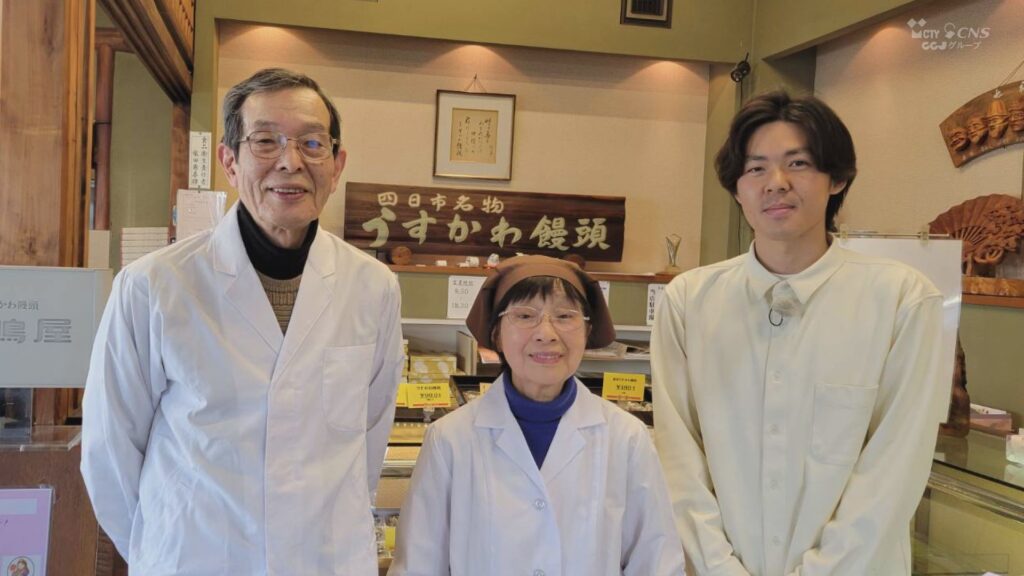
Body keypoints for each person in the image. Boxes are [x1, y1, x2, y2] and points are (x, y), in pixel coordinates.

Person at [80, 68, 403, 575]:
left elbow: (369, 437)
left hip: (326, 560)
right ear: (229, 162)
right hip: (198, 559)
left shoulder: (373, 287)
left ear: (337, 164)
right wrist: (163, 549)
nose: (291, 162)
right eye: (265, 141)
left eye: (312, 143)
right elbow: (109, 453)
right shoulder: (154, 285)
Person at [652, 91, 946, 575]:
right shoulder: (689, 301)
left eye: (799, 163)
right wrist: (720, 567)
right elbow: (678, 460)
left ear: (838, 178)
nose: (777, 183)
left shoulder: (902, 300)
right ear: (737, 188)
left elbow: (895, 468)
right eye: (756, 168)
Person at [389, 255, 684, 576]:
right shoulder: (450, 439)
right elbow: (418, 564)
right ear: (496, 333)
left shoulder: (626, 437)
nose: (546, 333)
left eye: (564, 316)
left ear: (587, 330)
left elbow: (656, 561)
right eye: (525, 315)